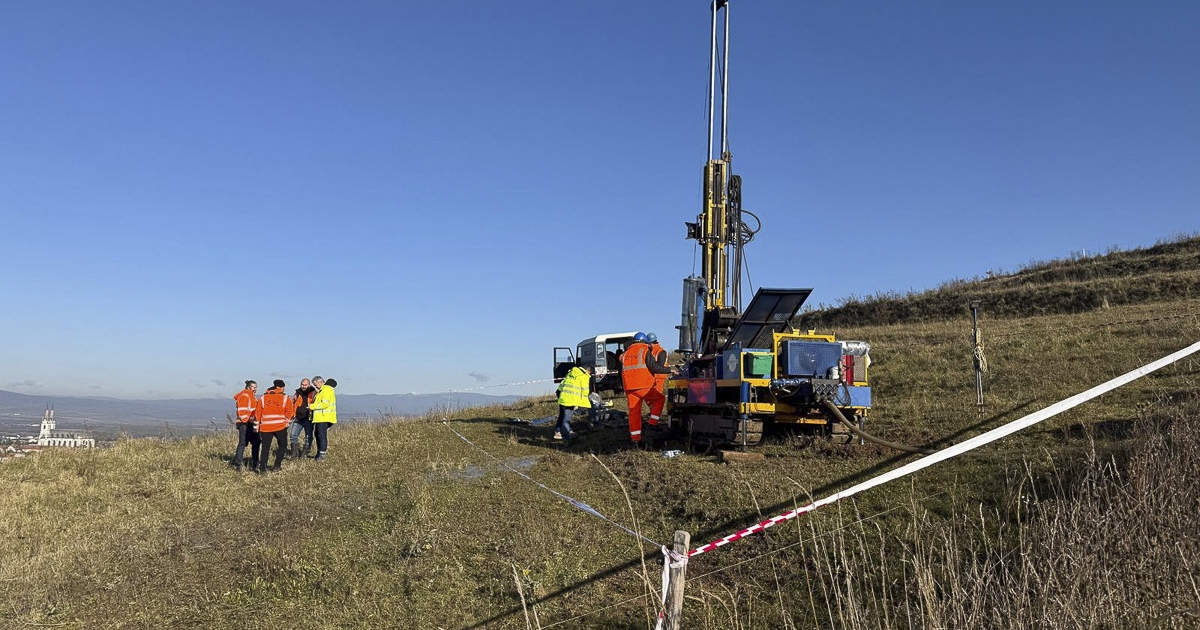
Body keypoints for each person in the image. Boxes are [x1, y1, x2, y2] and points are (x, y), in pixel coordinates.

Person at [620, 332, 670, 445]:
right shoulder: (644, 351)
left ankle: (635, 438)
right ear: (644, 341)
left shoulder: (625, 354)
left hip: (629, 388)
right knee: (659, 400)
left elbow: (621, 372)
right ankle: (652, 423)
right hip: (644, 386)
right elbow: (654, 367)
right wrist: (669, 370)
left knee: (634, 412)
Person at [257, 379, 296, 473]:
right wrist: (287, 422)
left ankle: (262, 469)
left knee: (265, 448)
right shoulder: (285, 398)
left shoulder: (263, 398)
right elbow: (290, 412)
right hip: (280, 426)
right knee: (283, 445)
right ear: (282, 387)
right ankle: (277, 466)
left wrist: (258, 425)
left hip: (265, 427)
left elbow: (258, 413)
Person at [553, 362, 592, 442]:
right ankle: (566, 437)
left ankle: (558, 432)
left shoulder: (571, 373)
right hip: (570, 400)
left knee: (562, 415)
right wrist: (583, 402)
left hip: (562, 396)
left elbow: (562, 385)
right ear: (588, 370)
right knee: (566, 419)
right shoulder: (584, 376)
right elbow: (585, 392)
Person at [231, 380, 261, 471]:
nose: (255, 389)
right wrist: (247, 420)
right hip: (244, 423)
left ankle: (255, 463)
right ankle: (238, 464)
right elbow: (242, 412)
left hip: (250, 423)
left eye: (256, 387)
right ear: (248, 387)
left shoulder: (252, 397)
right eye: (254, 387)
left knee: (256, 442)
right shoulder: (244, 396)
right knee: (243, 443)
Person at [309, 376, 337, 461]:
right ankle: (319, 453)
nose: (315, 387)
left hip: (323, 417)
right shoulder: (322, 391)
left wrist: (311, 406)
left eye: (316, 385)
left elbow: (325, 404)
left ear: (320, 382)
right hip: (321, 417)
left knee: (321, 435)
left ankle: (322, 455)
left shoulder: (326, 390)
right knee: (318, 434)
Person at [290, 378, 317, 458]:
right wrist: (292, 415)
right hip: (298, 418)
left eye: (305, 385)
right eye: (302, 384)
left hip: (308, 418)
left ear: (309, 385)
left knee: (308, 437)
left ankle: (304, 453)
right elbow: (293, 403)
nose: (303, 386)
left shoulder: (313, 393)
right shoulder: (297, 393)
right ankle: (295, 453)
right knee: (293, 436)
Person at [647, 332, 670, 398]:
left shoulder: (661, 351)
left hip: (659, 377)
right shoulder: (651, 351)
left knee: (657, 396)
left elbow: (660, 366)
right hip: (653, 377)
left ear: (650, 343)